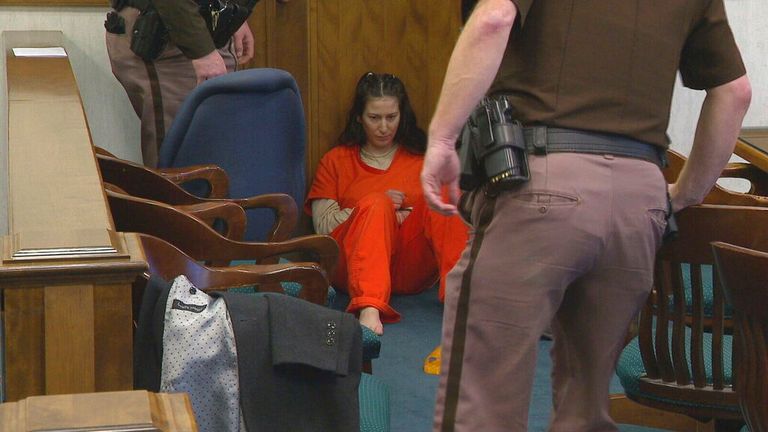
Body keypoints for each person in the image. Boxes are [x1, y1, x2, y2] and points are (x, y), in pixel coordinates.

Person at [421, 1, 751, 430]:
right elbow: (735, 92)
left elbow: (494, 18)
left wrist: (443, 139)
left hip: (540, 185)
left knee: (484, 404)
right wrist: (685, 194)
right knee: (587, 407)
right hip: (641, 199)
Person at [305, 72, 469, 335]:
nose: (384, 127)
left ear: (401, 116)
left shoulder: (421, 161)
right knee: (378, 204)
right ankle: (369, 308)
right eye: (374, 118)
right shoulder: (336, 160)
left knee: (447, 190)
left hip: (409, 266)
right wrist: (375, 207)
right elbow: (323, 228)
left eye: (391, 117)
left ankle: (461, 298)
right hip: (352, 266)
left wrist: (400, 218)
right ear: (359, 117)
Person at [104, 0, 265, 167]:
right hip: (169, 33)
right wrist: (201, 51)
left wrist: (233, 13)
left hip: (199, 26)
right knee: (185, 166)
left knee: (215, 155)